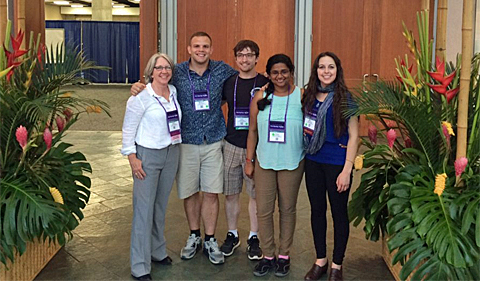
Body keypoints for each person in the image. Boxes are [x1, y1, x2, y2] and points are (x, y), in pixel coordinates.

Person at [130, 32, 237, 265]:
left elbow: (245, 79)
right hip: (185, 141)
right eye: (196, 46)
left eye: (205, 46)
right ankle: (194, 235)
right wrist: (138, 86)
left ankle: (210, 239)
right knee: (189, 192)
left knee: (210, 192)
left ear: (211, 48)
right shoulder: (175, 71)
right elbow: (155, 82)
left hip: (213, 140)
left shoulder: (222, 70)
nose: (201, 50)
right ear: (188, 48)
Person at [122, 53, 181, 281]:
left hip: (171, 153)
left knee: (159, 206)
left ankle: (157, 251)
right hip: (147, 156)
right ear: (151, 71)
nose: (164, 71)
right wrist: (132, 158)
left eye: (167, 67)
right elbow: (128, 130)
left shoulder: (173, 92)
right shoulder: (140, 97)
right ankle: (140, 265)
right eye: (159, 68)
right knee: (143, 211)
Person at [245, 54, 305, 278]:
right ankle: (268, 255)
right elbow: (252, 131)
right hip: (264, 162)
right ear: (268, 74)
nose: (280, 76)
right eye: (275, 72)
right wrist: (249, 161)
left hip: (292, 162)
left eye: (284, 72)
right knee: (264, 211)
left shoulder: (301, 96)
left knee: (287, 210)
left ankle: (284, 255)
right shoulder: (260, 96)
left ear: (291, 72)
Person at [301, 52, 358, 281]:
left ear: (338, 70)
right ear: (316, 70)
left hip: (337, 164)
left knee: (338, 213)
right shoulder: (309, 96)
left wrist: (347, 170)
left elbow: (354, 136)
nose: (326, 71)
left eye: (331, 67)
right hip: (313, 161)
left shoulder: (346, 98)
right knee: (317, 211)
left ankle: (337, 264)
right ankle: (321, 260)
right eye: (322, 67)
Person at [219, 40, 269, 260]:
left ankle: (254, 237)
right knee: (231, 194)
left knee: (255, 196)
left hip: (258, 148)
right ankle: (232, 233)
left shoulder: (266, 83)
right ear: (235, 58)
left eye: (249, 55)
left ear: (257, 58)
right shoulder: (229, 82)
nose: (245, 59)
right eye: (240, 55)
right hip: (231, 144)